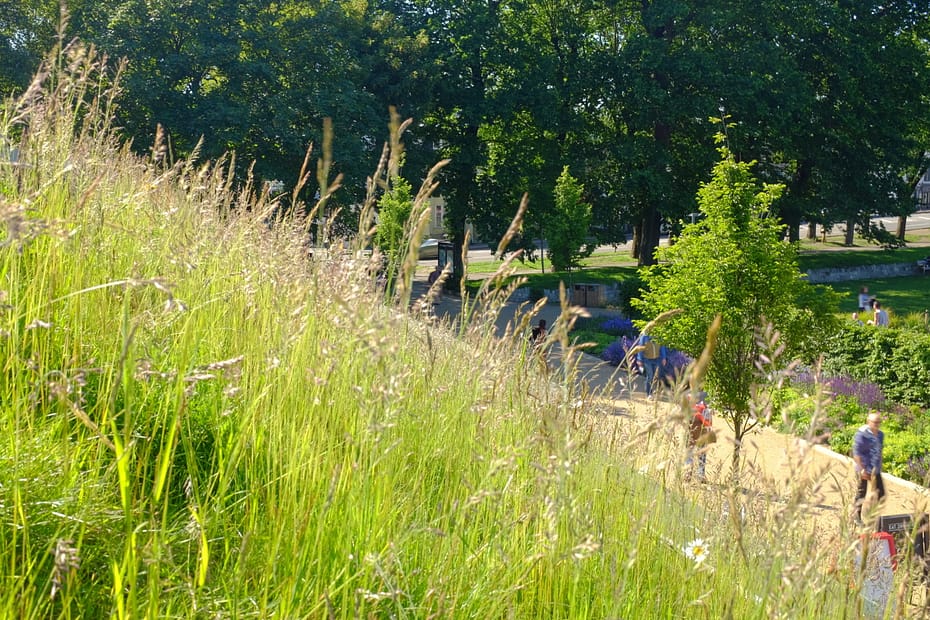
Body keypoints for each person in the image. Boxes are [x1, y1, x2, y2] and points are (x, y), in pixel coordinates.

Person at [853, 412, 885, 525]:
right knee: (861, 493)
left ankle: (872, 515)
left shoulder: (881, 434)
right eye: (874, 422)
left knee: (881, 493)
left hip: (874, 468)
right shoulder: (861, 435)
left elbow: (880, 450)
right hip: (863, 468)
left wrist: (879, 465)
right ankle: (856, 516)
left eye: (878, 422)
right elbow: (856, 453)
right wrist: (862, 469)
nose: (877, 424)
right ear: (868, 422)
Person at [684, 391, 715, 482]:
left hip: (694, 425)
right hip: (702, 425)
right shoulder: (708, 395)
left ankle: (689, 473)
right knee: (701, 450)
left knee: (691, 449)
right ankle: (699, 474)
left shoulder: (689, 394)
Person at [635, 333, 665, 400]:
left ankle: (650, 388)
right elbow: (640, 348)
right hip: (647, 359)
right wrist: (639, 359)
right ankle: (649, 394)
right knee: (650, 376)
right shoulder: (644, 337)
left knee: (655, 376)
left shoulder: (659, 336)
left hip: (656, 359)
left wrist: (664, 357)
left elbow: (662, 347)